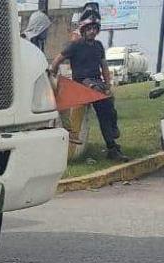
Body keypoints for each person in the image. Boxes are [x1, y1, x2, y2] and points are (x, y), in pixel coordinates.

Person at [49, 10, 130, 162]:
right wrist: (52, 72)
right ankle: (112, 145)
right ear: (84, 29)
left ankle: (112, 145)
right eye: (89, 28)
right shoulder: (75, 45)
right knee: (100, 95)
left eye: (95, 28)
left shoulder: (99, 46)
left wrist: (108, 85)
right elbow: (58, 59)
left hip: (96, 83)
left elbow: (104, 66)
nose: (92, 31)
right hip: (82, 83)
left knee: (108, 109)